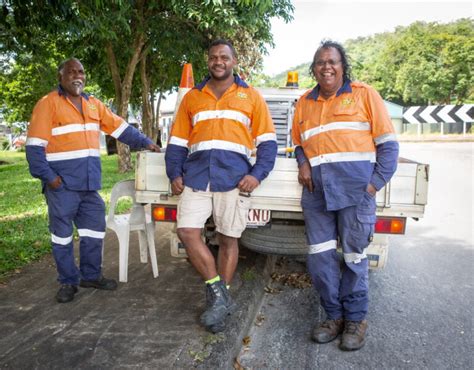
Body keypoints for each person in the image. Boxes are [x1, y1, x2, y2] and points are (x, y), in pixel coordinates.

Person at [291, 40, 399, 351]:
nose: (327, 67)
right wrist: (303, 163)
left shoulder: (364, 95)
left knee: (354, 258)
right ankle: (333, 316)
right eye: (321, 62)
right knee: (321, 259)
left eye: (332, 61)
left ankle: (355, 320)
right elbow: (299, 142)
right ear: (314, 68)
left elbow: (388, 145)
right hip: (317, 194)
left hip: (355, 193)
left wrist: (373, 185)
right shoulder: (304, 103)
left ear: (342, 66)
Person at [26, 58, 160, 303]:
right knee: (62, 236)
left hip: (89, 186)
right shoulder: (48, 104)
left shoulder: (93, 104)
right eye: (71, 72)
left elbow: (120, 128)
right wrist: (51, 180)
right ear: (61, 76)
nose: (78, 75)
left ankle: (90, 275)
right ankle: (68, 282)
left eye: (81, 72)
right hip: (62, 187)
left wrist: (147, 142)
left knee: (94, 232)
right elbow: (34, 149)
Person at [165, 39, 277, 332]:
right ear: (208, 61)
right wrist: (174, 172)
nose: (219, 61)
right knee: (187, 232)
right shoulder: (193, 98)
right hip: (197, 176)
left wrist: (258, 174)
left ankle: (219, 302)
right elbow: (177, 142)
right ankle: (219, 295)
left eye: (224, 57)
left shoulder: (251, 96)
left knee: (228, 239)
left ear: (234, 61)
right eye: (214, 57)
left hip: (234, 178)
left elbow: (268, 144)